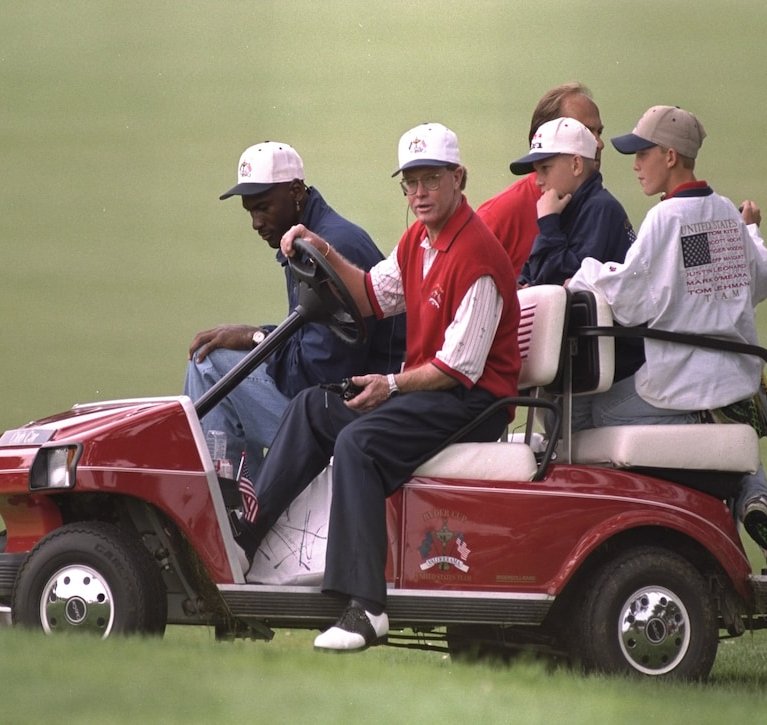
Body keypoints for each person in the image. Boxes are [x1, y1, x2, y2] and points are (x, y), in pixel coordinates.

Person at [234, 123, 521, 651]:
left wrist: (390, 384)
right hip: (434, 390)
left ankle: (366, 607)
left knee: (359, 444)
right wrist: (321, 247)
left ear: (459, 178)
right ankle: (243, 539)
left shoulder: (477, 255)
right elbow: (369, 294)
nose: (419, 194)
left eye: (431, 180)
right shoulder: (419, 241)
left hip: (475, 401)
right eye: (410, 183)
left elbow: (460, 367)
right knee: (313, 406)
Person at [567, 105, 767, 571]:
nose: (634, 164)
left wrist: (587, 271)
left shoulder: (664, 220)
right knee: (728, 425)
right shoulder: (724, 215)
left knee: (589, 408)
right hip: (737, 380)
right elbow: (761, 278)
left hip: (681, 385)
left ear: (670, 157)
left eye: (643, 153)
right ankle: (756, 497)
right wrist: (752, 228)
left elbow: (631, 299)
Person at [184, 141, 405, 479]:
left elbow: (317, 378)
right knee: (219, 356)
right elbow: (312, 344)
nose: (256, 223)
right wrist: (257, 338)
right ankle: (247, 496)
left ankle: (235, 507)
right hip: (347, 397)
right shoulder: (317, 235)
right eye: (250, 211)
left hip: (350, 413)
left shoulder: (329, 248)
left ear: (296, 191)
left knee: (208, 365)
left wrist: (258, 339)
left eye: (263, 207)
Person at [508, 116, 643, 395]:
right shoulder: (565, 209)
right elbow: (532, 274)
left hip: (614, 376)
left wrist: (547, 226)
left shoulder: (600, 209)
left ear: (576, 164)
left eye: (545, 168)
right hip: (585, 368)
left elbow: (563, 287)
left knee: (572, 431)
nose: (538, 181)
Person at [477, 82, 606, 277]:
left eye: (599, 132)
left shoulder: (598, 207)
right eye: (585, 132)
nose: (599, 143)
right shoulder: (499, 215)